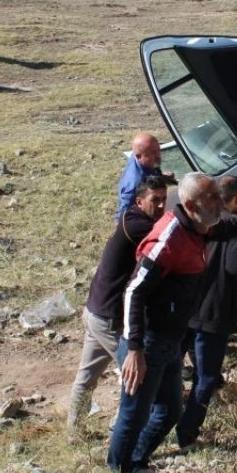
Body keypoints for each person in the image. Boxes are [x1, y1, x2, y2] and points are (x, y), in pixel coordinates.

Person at [106, 172, 237, 473]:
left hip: (170, 341)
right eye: (212, 198)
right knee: (134, 415)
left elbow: (231, 225)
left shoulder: (200, 226)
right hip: (148, 343)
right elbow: (135, 291)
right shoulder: (169, 238)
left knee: (170, 411)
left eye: (218, 195)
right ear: (190, 204)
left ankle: (136, 462)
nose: (219, 202)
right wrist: (135, 348)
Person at [66, 175, 169, 428]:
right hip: (109, 318)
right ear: (139, 201)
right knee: (137, 373)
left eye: (164, 200)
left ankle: (74, 429)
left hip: (95, 311)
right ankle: (125, 429)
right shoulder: (141, 228)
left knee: (87, 376)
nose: (160, 206)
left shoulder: (131, 217)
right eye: (155, 200)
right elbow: (170, 238)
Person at [175, 174, 237, 449]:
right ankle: (187, 432)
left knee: (172, 367)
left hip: (188, 308)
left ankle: (162, 418)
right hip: (213, 314)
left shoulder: (203, 221)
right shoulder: (235, 228)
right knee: (204, 377)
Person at [116, 132, 164, 221]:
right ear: (139, 156)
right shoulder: (134, 184)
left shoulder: (141, 158)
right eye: (153, 153)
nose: (158, 155)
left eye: (158, 150)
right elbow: (124, 216)